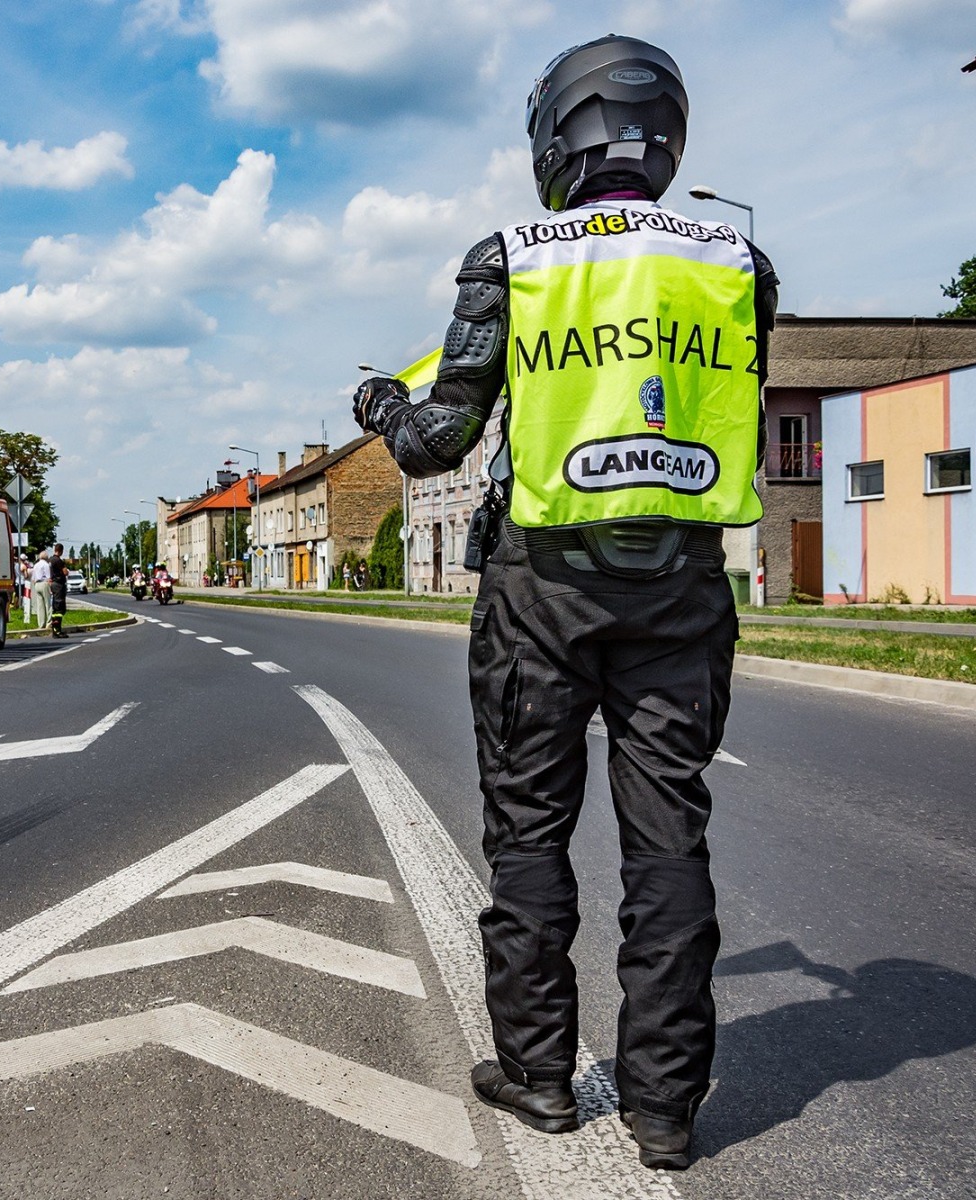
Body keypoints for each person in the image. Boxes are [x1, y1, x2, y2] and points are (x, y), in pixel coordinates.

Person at [352, 35, 777, 1172]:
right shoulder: (738, 264)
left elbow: (441, 435)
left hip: (541, 586)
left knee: (531, 835)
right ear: (664, 132)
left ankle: (540, 1077)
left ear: (560, 133)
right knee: (670, 843)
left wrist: (379, 405)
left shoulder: (517, 257)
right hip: (684, 584)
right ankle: (665, 1110)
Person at [48, 542, 69, 638]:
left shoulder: (50, 560)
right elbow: (65, 572)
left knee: (55, 607)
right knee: (59, 608)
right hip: (59, 585)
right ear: (61, 551)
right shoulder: (58, 561)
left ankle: (55, 630)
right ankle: (57, 630)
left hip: (52, 584)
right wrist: (66, 570)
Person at [30, 551, 52, 629]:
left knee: (40, 606)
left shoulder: (35, 565)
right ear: (46, 557)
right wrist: (50, 587)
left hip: (37, 584)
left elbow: (33, 578)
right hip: (44, 583)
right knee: (48, 603)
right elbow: (48, 577)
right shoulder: (46, 565)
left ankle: (41, 623)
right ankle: (49, 622)